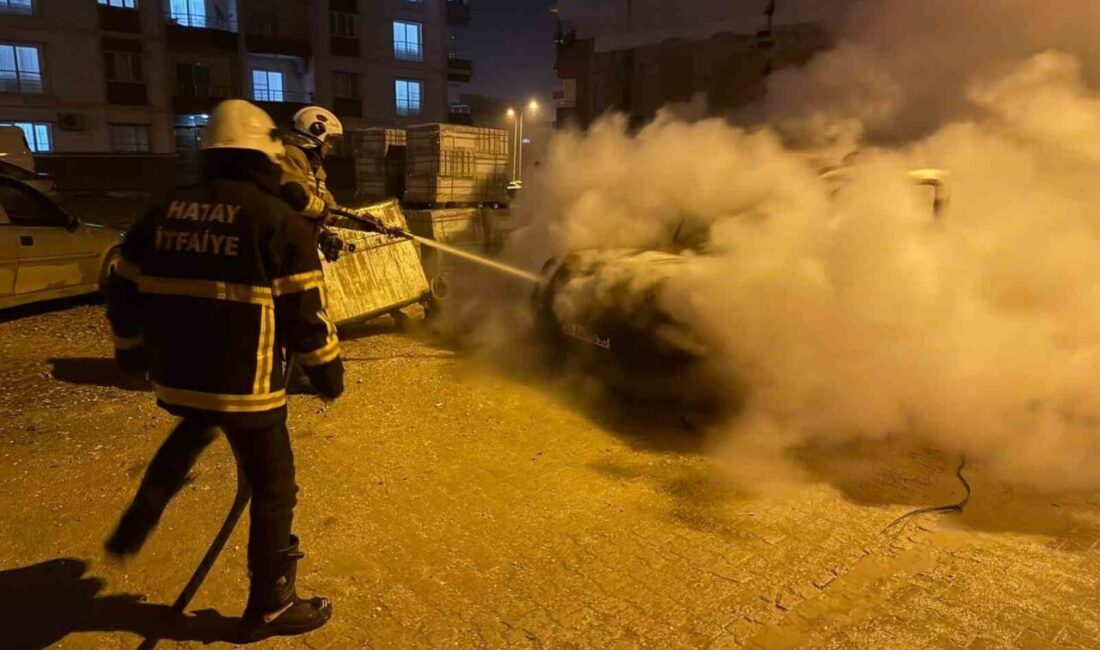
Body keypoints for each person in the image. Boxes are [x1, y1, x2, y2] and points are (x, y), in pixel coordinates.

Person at [104, 99, 344, 641]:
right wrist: (327, 373)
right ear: (264, 155)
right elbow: (306, 312)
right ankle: (272, 603)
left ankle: (134, 525)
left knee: (192, 427)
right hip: (248, 388)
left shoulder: (163, 210)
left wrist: (131, 354)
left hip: (180, 378)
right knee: (274, 487)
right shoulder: (277, 221)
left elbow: (122, 286)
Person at [280, 105, 343, 222]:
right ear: (315, 132)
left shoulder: (314, 164)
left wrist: (355, 217)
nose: (330, 146)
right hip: (290, 231)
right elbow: (298, 198)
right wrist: (327, 213)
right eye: (329, 140)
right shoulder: (291, 154)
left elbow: (327, 201)